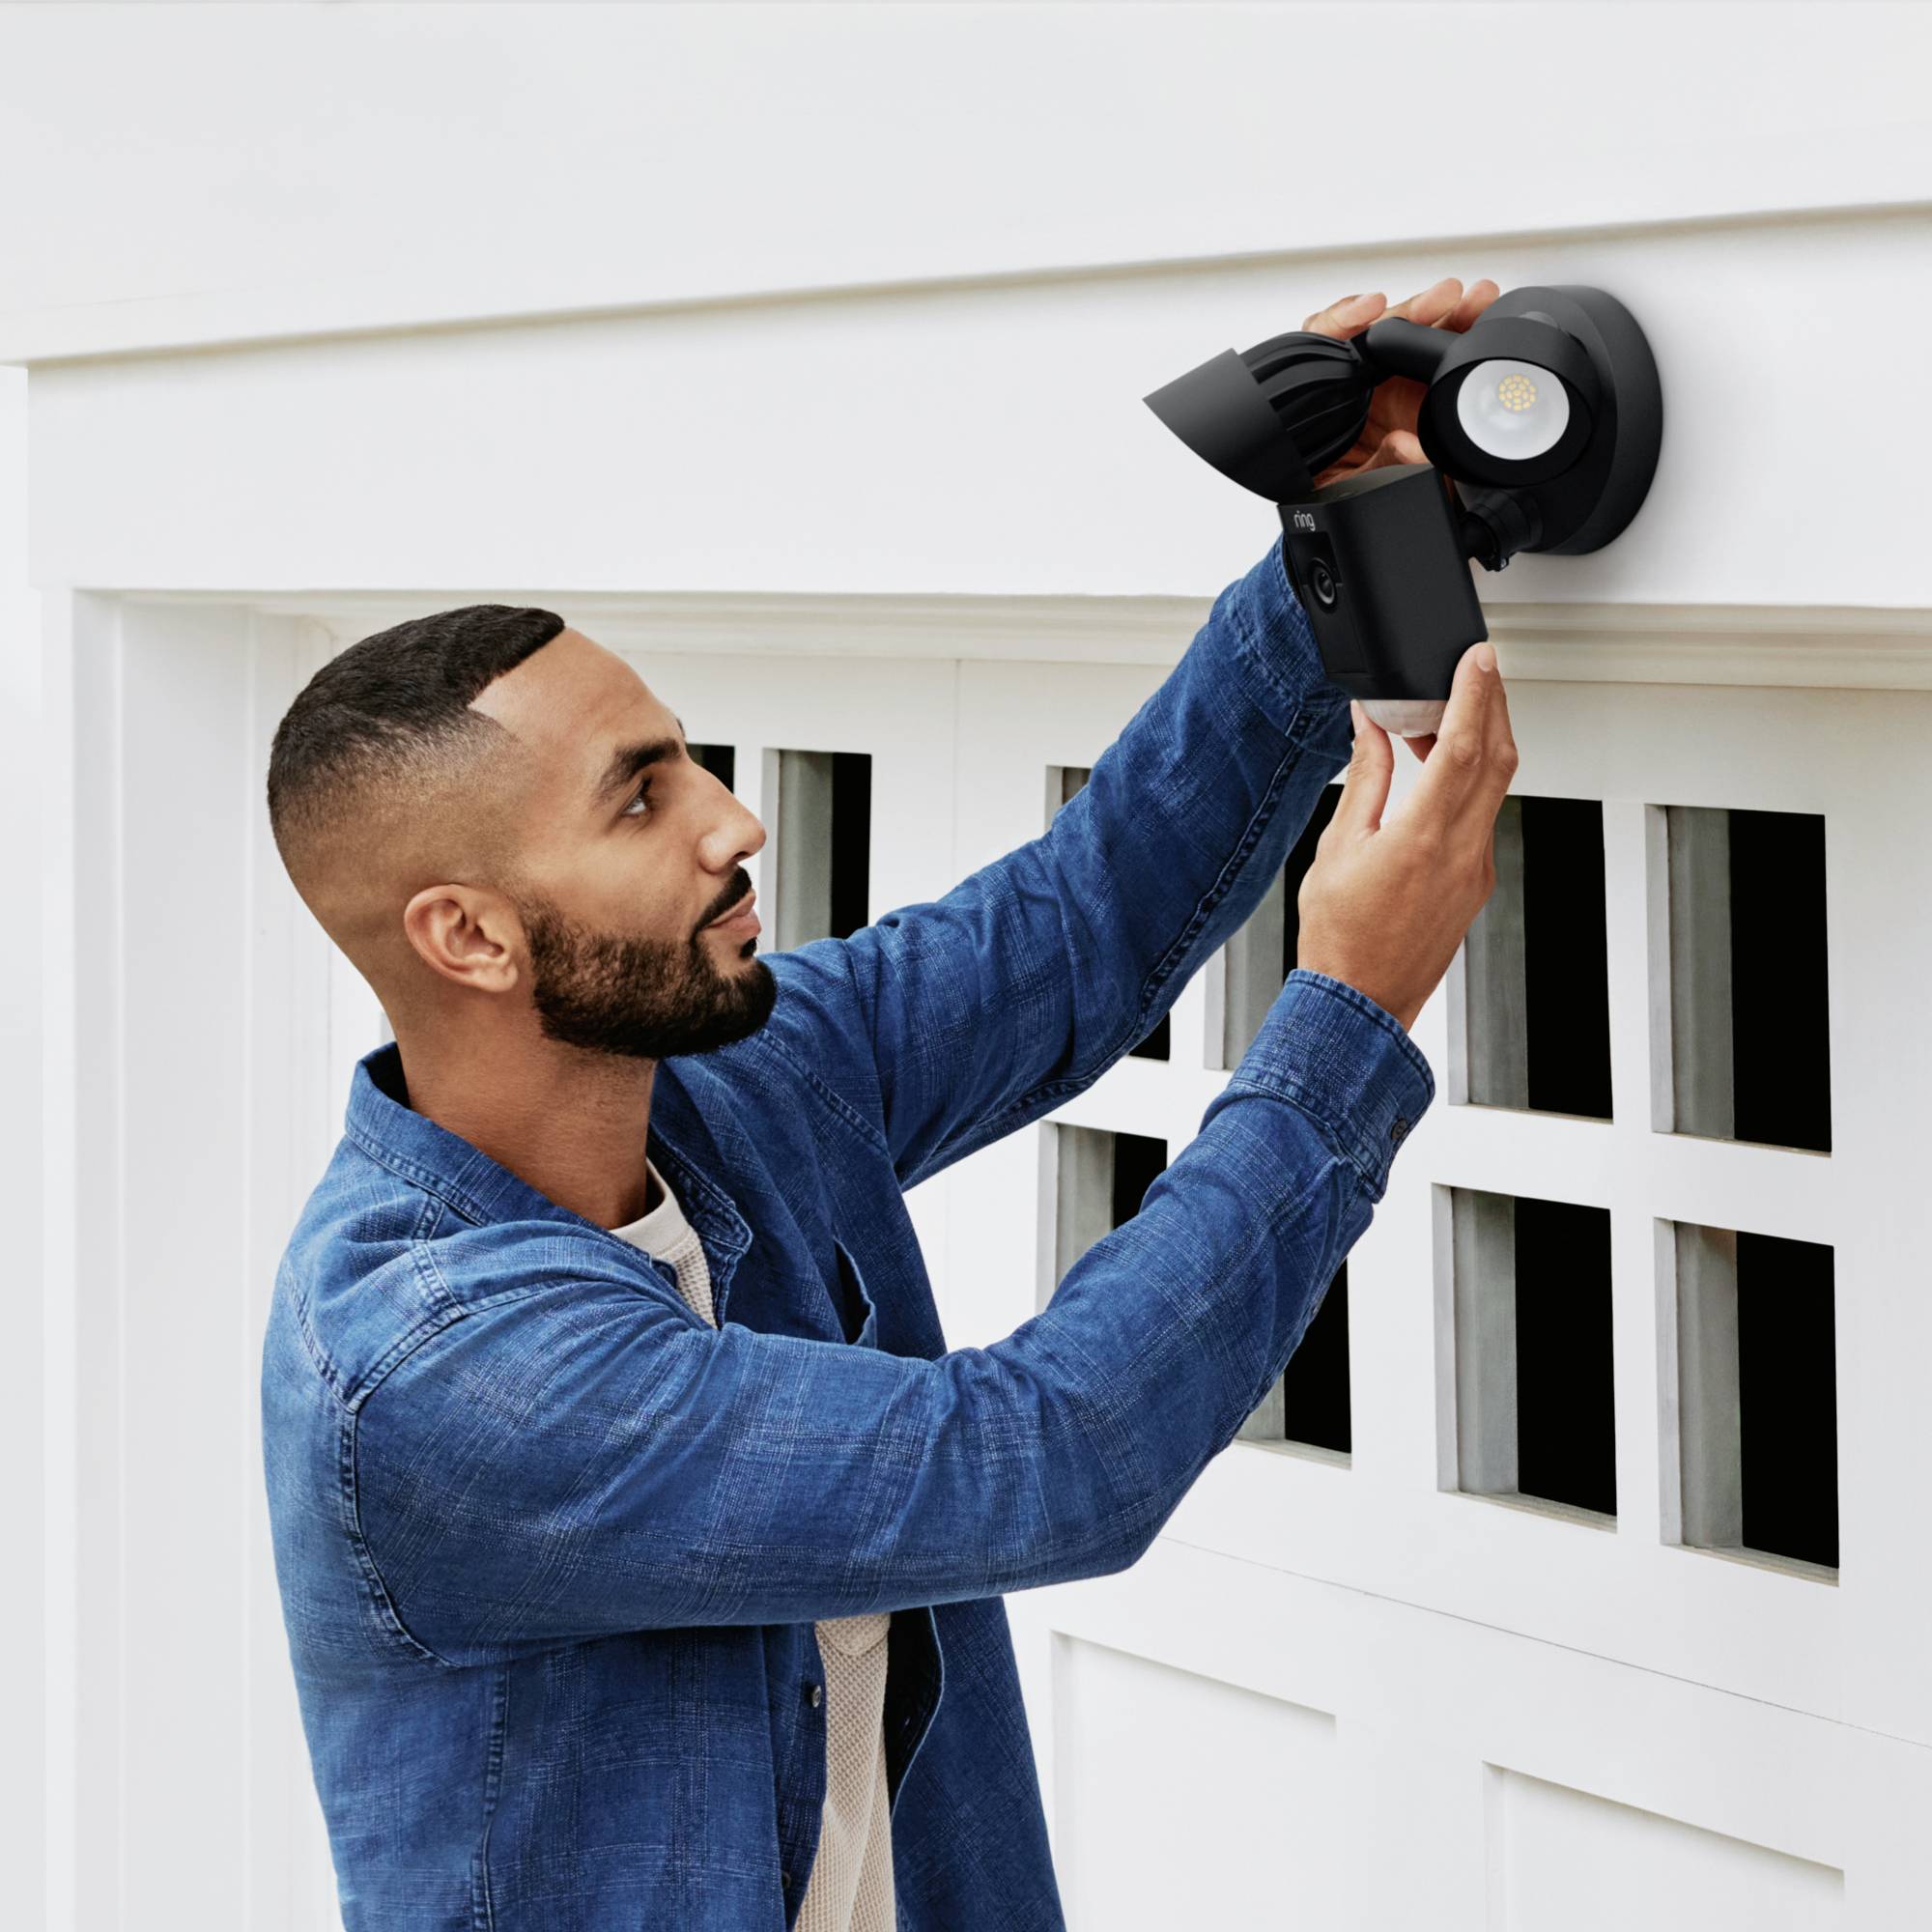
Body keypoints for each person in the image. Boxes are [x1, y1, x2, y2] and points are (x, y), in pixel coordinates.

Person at [260, 276, 1516, 1932]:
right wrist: (1348, 1013)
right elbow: (1053, 1457)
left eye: (687, 757)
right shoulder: (441, 1373)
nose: (732, 822)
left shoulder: (734, 1083)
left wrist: (1349, 531)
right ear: (469, 938)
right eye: (640, 799)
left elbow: (1078, 929)